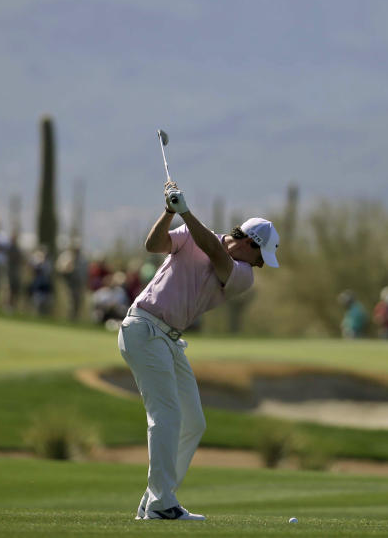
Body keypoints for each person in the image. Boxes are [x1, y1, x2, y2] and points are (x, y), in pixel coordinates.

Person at [118, 181, 279, 521]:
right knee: (167, 415)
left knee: (193, 421)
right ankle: (162, 504)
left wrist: (186, 212)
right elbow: (153, 245)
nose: (261, 265)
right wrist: (168, 213)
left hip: (168, 339)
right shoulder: (191, 234)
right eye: (261, 257)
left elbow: (216, 252)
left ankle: (155, 499)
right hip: (144, 328)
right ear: (251, 243)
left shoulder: (242, 274)